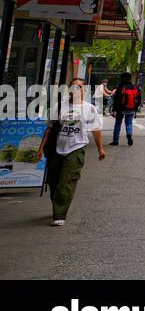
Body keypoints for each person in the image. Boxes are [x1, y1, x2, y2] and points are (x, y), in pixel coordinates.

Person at [37, 78, 106, 226]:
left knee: (66, 182)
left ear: (84, 90)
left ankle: (59, 215)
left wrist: (100, 148)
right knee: (53, 181)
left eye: (79, 87)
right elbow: (49, 129)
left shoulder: (89, 109)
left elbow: (96, 130)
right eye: (72, 87)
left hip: (76, 148)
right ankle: (57, 205)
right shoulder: (59, 107)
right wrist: (41, 148)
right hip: (57, 148)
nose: (75, 90)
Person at [110, 72, 142, 146]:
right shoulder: (135, 87)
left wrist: (114, 110)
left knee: (118, 124)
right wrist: (135, 109)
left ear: (123, 78)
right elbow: (138, 99)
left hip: (120, 109)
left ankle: (115, 141)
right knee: (129, 123)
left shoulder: (120, 87)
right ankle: (129, 135)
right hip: (131, 109)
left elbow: (116, 99)